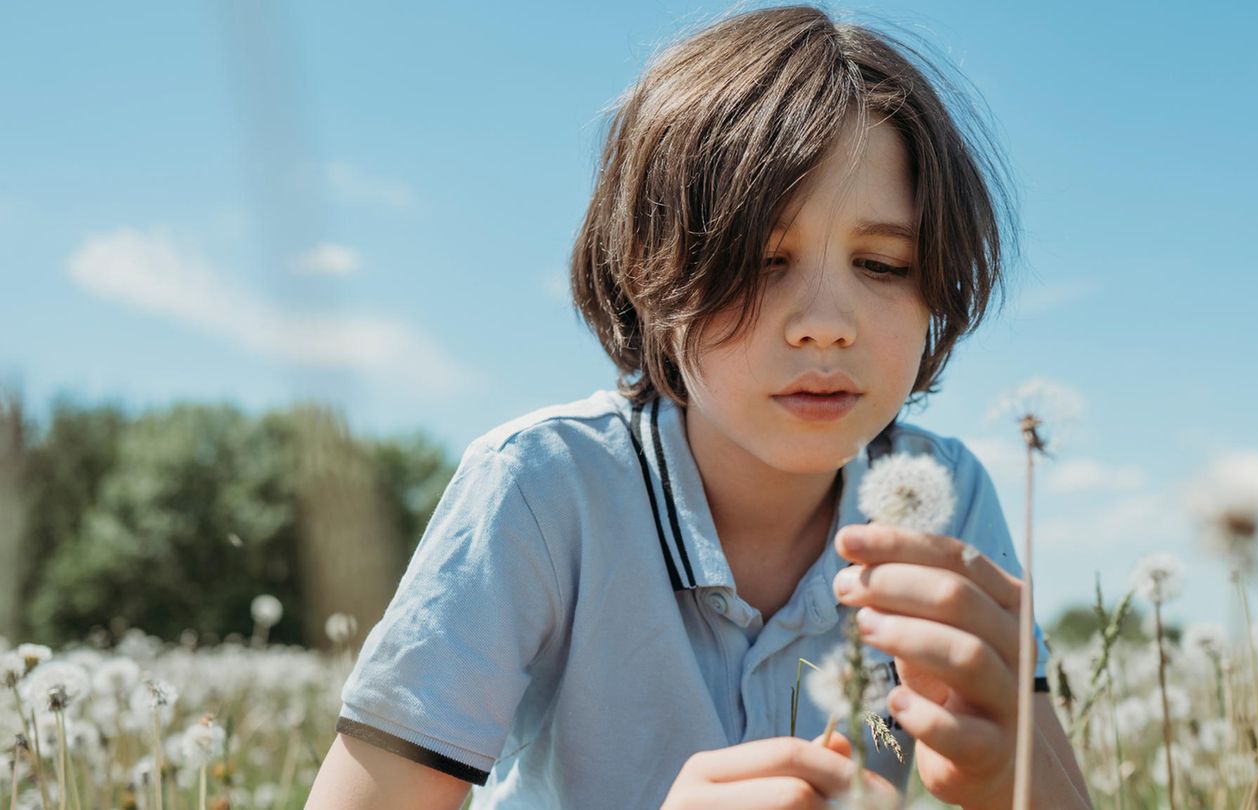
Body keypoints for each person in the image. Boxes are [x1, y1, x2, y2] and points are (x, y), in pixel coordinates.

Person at [306, 5, 1091, 808]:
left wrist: (1010, 777)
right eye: (761, 259)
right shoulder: (538, 490)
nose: (825, 324)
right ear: (647, 274)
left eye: (882, 263)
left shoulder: (943, 496)